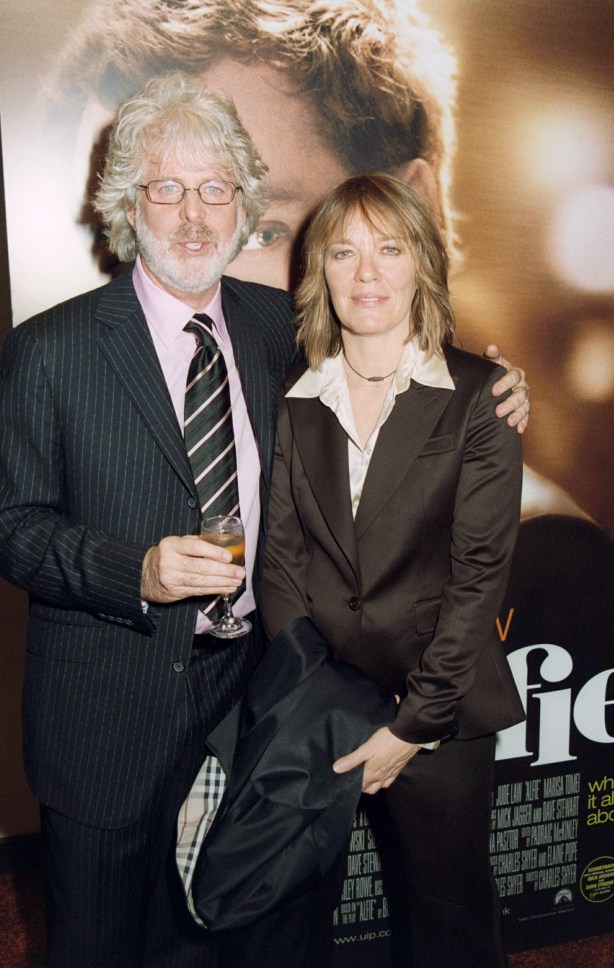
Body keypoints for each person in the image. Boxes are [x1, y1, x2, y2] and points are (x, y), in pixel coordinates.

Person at [0, 73, 298, 968]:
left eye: (214, 188)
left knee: (215, 937)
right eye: (166, 187)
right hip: (104, 713)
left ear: (243, 205)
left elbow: (392, 364)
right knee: (100, 946)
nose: (193, 215)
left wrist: (490, 385)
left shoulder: (279, 327)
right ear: (128, 203)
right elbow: (6, 526)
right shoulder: (51, 349)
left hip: (245, 698)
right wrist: (135, 572)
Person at [251, 173, 525, 968]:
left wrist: (410, 726)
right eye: (344, 252)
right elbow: (281, 562)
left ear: (422, 265)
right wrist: (317, 694)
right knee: (303, 920)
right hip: (328, 708)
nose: (366, 272)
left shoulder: (481, 396)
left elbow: (479, 581)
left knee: (449, 921)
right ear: (320, 274)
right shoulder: (297, 401)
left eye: (389, 248)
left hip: (437, 713)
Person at [40, 0, 531, 441]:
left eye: (259, 232)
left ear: (413, 217)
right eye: (130, 245)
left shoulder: (541, 540)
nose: (175, 294)